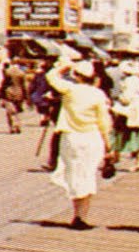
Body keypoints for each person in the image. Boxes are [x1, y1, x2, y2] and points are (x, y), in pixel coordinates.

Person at [45, 59, 113, 231]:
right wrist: (109, 147)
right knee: (88, 174)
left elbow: (50, 76)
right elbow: (104, 123)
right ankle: (82, 216)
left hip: (71, 137)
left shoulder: (70, 89)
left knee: (74, 174)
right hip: (92, 137)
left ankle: (77, 214)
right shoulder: (98, 94)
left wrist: (64, 66)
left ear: (77, 76)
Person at [110, 62, 139, 171]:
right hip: (136, 111)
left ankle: (116, 157)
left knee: (118, 133)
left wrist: (119, 98)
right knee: (136, 135)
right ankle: (138, 159)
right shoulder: (137, 80)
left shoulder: (129, 80)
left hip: (127, 111)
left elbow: (127, 98)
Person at [0, 59, 29, 134]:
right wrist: (26, 96)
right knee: (17, 111)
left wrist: (0, 94)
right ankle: (17, 125)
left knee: (10, 111)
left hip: (9, 93)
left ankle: (12, 126)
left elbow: (4, 84)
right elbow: (24, 86)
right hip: (19, 93)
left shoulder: (7, 72)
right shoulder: (21, 73)